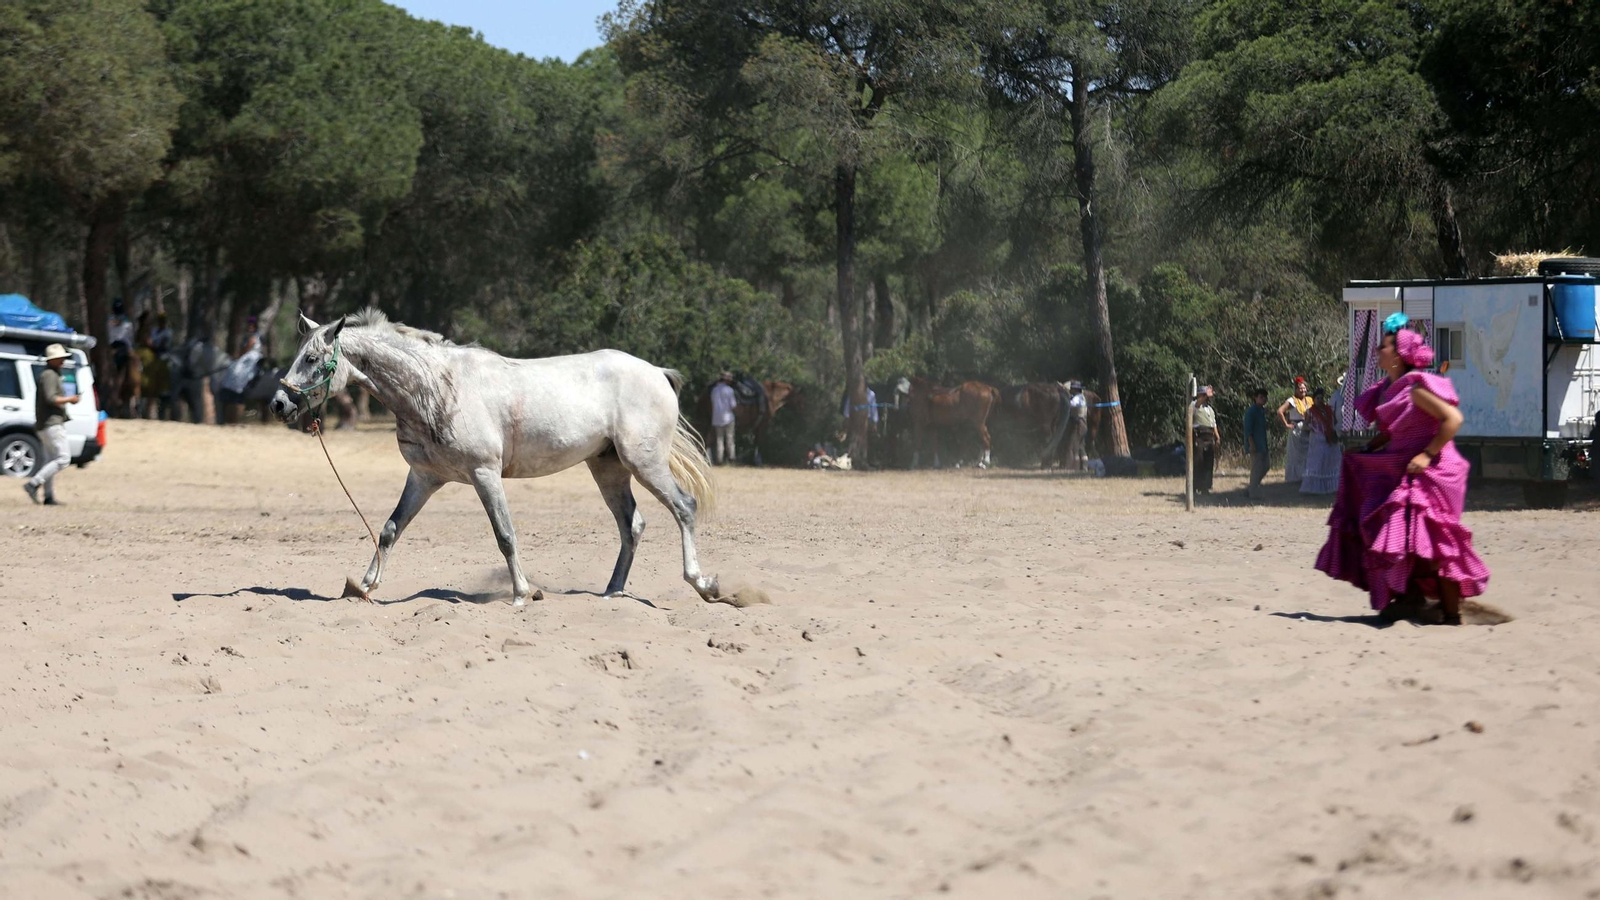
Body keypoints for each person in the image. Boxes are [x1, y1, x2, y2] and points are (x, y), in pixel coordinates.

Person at [1315, 315, 1490, 625]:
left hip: (1434, 470)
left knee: (1436, 542)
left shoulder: (1416, 389)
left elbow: (1453, 420)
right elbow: (1393, 429)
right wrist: (1369, 448)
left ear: (1397, 355)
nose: (1377, 352)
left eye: (1382, 347)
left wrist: (1426, 454)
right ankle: (1412, 600)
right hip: (1404, 469)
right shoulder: (1387, 389)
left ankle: (1452, 616)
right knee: (1399, 535)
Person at [24, 344, 82, 505]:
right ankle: (34, 483)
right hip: (51, 423)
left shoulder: (51, 374)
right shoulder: (49, 375)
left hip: (46, 423)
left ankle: (48, 496)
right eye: (61, 357)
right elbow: (51, 398)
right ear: (53, 359)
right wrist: (70, 399)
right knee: (63, 458)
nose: (63, 360)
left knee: (49, 460)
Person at [1300, 386, 1341, 495]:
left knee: (1331, 462)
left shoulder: (1328, 410)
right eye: (1317, 398)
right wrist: (1313, 428)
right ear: (1313, 399)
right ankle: (1316, 489)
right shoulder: (1310, 412)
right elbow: (1305, 426)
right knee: (1318, 463)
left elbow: (1334, 422)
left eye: (1321, 398)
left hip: (1329, 439)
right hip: (1317, 441)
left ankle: (1332, 487)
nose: (1319, 400)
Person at [1278, 376, 1314, 483]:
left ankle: (1306, 476)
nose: (1302, 390)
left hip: (1308, 429)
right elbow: (1280, 411)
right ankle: (1295, 477)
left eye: (1304, 388)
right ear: (1296, 389)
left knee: (1308, 454)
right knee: (1296, 456)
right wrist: (1286, 424)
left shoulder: (1309, 400)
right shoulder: (1292, 401)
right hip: (1297, 430)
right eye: (1300, 388)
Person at [1190, 385, 1219, 494]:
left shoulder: (1210, 409)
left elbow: (1213, 423)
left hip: (1209, 436)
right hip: (1199, 436)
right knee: (1198, 462)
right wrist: (1205, 394)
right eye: (1205, 396)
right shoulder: (1194, 405)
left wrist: (1217, 437)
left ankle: (1206, 487)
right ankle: (1195, 486)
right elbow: (1197, 404)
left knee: (1208, 462)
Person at [1244, 388, 1271, 499]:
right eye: (1261, 397)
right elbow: (1248, 429)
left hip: (1263, 444)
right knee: (1256, 468)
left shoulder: (1262, 411)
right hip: (1255, 444)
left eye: (1265, 397)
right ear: (1255, 398)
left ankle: (1251, 487)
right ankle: (1253, 494)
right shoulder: (1251, 411)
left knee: (1266, 466)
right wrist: (1251, 444)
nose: (1263, 399)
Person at [709, 371, 737, 465]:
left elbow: (712, 403)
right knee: (730, 439)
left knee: (719, 440)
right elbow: (733, 405)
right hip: (728, 417)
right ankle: (731, 458)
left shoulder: (714, 390)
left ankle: (719, 460)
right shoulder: (729, 390)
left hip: (717, 418)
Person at [1064, 380, 1089, 472]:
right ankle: (1084, 467)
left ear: (1075, 389)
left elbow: (1070, 404)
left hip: (1078, 425)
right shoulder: (1081, 397)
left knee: (1072, 446)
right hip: (1083, 424)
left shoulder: (1077, 398)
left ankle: (1072, 468)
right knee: (1081, 447)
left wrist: (1066, 397)